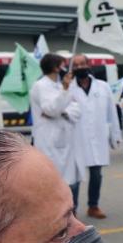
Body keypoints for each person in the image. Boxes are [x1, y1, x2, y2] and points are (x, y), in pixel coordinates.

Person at [69, 54, 122, 219]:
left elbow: (112, 112)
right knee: (75, 176)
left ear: (89, 64)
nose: (79, 67)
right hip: (76, 137)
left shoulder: (103, 86)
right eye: (75, 65)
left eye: (82, 64)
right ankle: (72, 210)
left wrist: (115, 135)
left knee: (96, 174)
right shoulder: (68, 88)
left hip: (97, 136)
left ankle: (93, 206)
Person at [29, 52, 82, 194]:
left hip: (66, 139)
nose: (66, 68)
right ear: (55, 68)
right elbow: (51, 109)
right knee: (53, 181)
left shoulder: (61, 85)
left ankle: (71, 212)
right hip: (48, 140)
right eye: (62, 65)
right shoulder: (39, 86)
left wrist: (63, 112)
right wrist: (63, 97)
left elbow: (76, 109)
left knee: (71, 181)